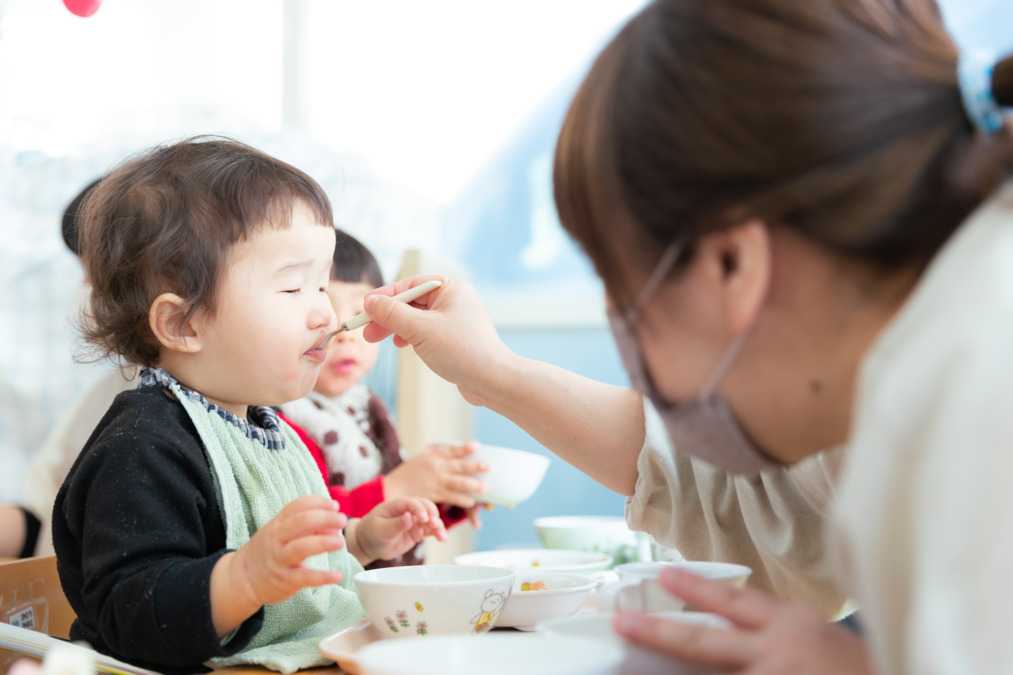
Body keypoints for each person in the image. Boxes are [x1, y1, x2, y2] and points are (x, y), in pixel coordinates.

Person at [355, 1, 1013, 672]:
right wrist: (489, 371)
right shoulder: (912, 341)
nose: (629, 340)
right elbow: (740, 488)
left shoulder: (969, 381)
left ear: (733, 264)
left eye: (624, 293)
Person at [51, 136, 447, 674]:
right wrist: (244, 579)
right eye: (292, 290)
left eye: (322, 286)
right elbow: (130, 611)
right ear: (182, 323)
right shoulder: (143, 444)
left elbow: (291, 582)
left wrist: (359, 539)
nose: (327, 316)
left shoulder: (269, 426)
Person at [277, 228, 487, 568]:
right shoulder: (284, 417)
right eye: (326, 307)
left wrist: (447, 495)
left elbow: (399, 523)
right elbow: (312, 520)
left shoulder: (367, 405)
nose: (345, 334)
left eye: (360, 313)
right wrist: (400, 486)